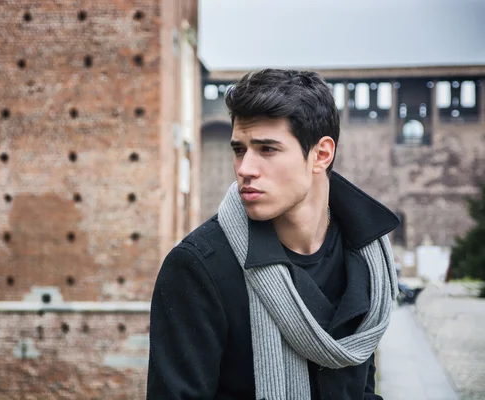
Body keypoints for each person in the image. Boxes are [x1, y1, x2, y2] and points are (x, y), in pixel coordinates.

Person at [146, 69, 400, 400]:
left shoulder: (367, 258)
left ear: (321, 155)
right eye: (239, 149)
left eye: (267, 149)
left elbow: (362, 391)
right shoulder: (196, 270)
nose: (245, 168)